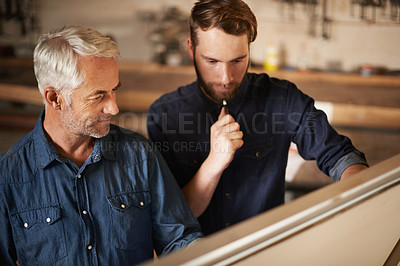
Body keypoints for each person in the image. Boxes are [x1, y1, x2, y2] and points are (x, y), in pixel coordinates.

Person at [147, 0, 368, 236]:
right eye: (212, 61)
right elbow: (171, 219)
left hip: (266, 251)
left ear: (249, 49)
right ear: (191, 49)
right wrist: (214, 163)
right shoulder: (164, 115)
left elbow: (339, 155)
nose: (225, 77)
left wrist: (363, 190)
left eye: (237, 61)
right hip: (197, 255)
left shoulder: (283, 99)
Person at [0, 25, 201, 265]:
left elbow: (179, 240)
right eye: (98, 96)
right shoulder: (8, 177)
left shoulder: (139, 154)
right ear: (54, 98)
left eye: (114, 90)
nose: (114, 108)